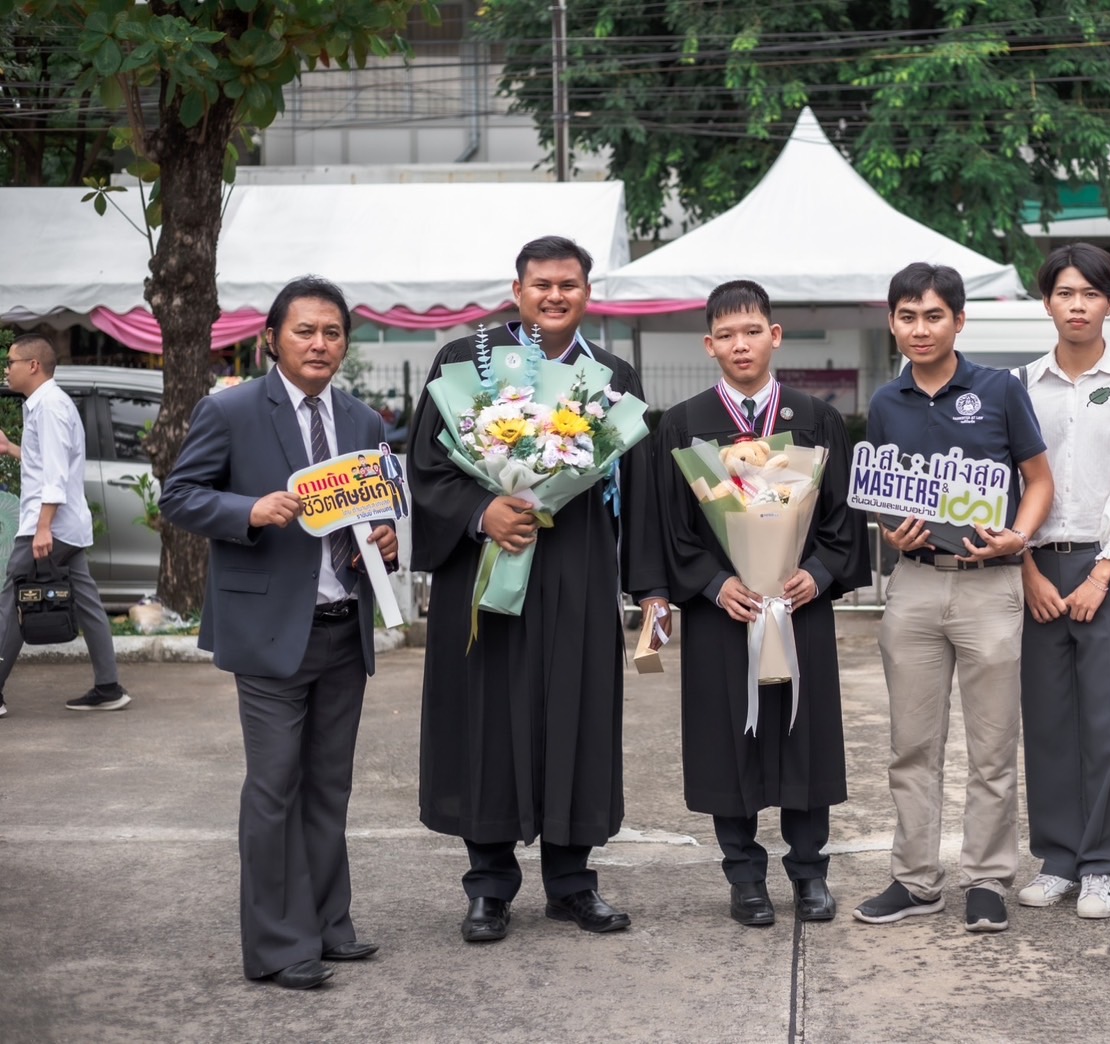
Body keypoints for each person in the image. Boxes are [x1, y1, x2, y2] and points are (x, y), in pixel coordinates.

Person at [408, 235, 668, 942]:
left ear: (588, 293)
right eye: (542, 284)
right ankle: (488, 886)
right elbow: (427, 466)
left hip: (576, 568)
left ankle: (572, 882)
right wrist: (479, 511)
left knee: (574, 713)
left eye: (570, 285)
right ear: (516, 290)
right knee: (487, 715)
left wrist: (650, 590)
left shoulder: (612, 377)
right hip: (487, 562)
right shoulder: (466, 363)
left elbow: (640, 492)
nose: (555, 296)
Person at [160, 276, 398, 989]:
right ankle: (276, 947)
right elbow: (180, 496)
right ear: (272, 339)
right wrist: (247, 511)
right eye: (304, 331)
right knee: (274, 788)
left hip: (340, 625)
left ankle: (329, 926)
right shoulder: (229, 410)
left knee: (330, 787)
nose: (319, 344)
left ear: (345, 344)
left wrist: (386, 536)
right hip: (267, 631)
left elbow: (383, 506)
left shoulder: (363, 421)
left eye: (332, 333)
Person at [656, 280, 870, 927]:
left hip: (798, 608)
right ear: (709, 344)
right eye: (726, 334)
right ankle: (744, 878)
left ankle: (809, 875)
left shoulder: (815, 417)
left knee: (803, 734)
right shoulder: (683, 424)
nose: (740, 344)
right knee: (732, 736)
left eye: (752, 331)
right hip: (728, 612)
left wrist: (819, 571)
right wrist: (714, 584)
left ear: (773, 336)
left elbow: (841, 519)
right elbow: (672, 529)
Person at [852, 263, 1054, 933]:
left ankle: (989, 880)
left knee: (993, 749)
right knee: (912, 746)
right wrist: (890, 527)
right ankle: (914, 881)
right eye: (907, 317)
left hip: (990, 586)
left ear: (959, 321)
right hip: (912, 586)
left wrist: (1018, 540)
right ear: (892, 322)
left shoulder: (998, 390)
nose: (920, 329)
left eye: (933, 316)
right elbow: (882, 495)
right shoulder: (886, 402)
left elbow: (1039, 480)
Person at [1014, 244, 1110, 920]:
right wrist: (1024, 569)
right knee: (1047, 722)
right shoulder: (1019, 385)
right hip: (1035, 568)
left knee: (1109, 721)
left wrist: (1105, 570)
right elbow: (1006, 482)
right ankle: (1057, 858)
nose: (1076, 305)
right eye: (1064, 293)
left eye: (1090, 294)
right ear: (1046, 301)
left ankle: (1104, 866)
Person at [0, 332, 128, 718]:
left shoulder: (50, 407)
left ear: (33, 366)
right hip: (63, 527)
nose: (7, 370)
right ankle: (109, 686)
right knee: (87, 603)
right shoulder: (44, 405)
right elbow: (46, 463)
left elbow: (54, 476)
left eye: (11, 362)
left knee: (12, 600)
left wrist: (43, 529)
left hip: (49, 528)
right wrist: (11, 450)